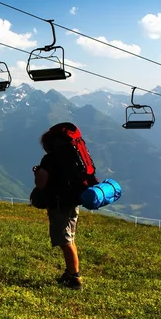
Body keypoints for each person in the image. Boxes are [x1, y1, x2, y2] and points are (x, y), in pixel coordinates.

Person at [30, 122, 98, 290]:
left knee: (65, 240)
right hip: (72, 200)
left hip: (59, 203)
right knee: (70, 238)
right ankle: (69, 273)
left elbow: (41, 184)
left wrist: (37, 174)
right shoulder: (70, 157)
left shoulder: (50, 159)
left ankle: (75, 278)